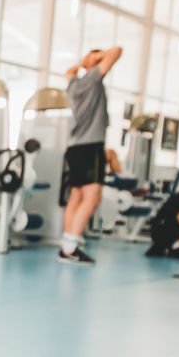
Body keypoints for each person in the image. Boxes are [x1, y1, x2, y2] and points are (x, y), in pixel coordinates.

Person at [58, 45, 124, 265]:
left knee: (76, 197)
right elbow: (117, 50)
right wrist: (93, 58)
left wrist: (82, 62)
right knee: (92, 197)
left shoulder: (74, 84)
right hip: (90, 146)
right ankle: (71, 248)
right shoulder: (92, 79)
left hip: (74, 147)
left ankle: (67, 245)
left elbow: (69, 71)